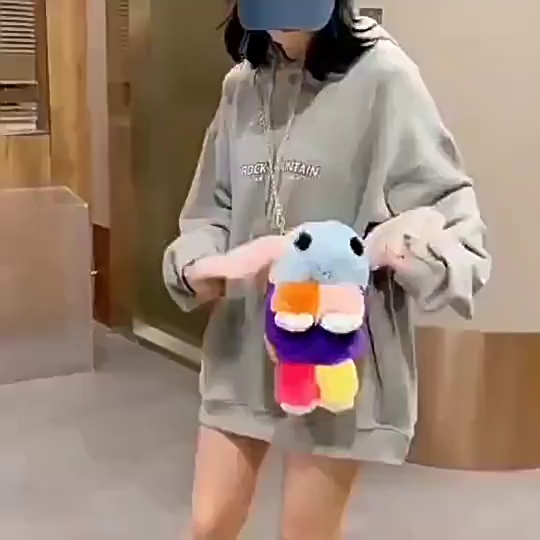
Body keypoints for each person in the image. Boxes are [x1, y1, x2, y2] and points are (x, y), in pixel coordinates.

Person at [163, 0, 491, 538]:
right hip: (242, 345)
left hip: (337, 356)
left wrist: (396, 246)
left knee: (307, 532)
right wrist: (209, 265)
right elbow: (209, 211)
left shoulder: (385, 76)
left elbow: (457, 227)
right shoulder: (241, 86)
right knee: (208, 524)